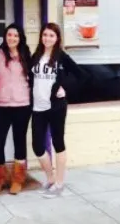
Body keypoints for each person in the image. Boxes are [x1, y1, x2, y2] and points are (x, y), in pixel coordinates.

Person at [30, 22, 89, 198]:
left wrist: (65, 88)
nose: (47, 38)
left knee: (58, 143)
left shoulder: (61, 57)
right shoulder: (36, 55)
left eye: (51, 35)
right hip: (38, 107)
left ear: (57, 38)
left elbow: (82, 76)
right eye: (45, 35)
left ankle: (59, 183)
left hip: (56, 107)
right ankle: (50, 179)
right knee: (37, 146)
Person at [0, 24, 32, 195]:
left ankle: (18, 179)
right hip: (1, 105)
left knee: (19, 141)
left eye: (15, 35)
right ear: (5, 36)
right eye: (9, 35)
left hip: (22, 105)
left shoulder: (26, 54)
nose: (12, 38)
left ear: (20, 38)